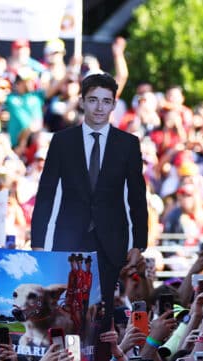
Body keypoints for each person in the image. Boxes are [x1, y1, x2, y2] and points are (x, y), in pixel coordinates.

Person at [31, 72, 148, 309]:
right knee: (66, 308)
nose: (99, 107)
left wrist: (139, 244)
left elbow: (137, 196)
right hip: (69, 236)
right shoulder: (62, 141)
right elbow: (46, 193)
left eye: (106, 101)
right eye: (93, 100)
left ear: (114, 105)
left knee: (104, 312)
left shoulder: (128, 144)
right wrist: (38, 243)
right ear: (82, 101)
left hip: (112, 239)